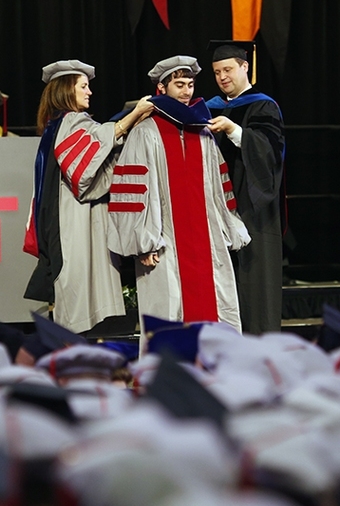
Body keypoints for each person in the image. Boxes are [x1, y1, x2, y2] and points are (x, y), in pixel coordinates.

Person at [107, 55, 250, 330]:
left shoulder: (203, 132)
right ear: (161, 88)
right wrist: (143, 243)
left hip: (207, 240)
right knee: (170, 313)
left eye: (190, 85)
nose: (186, 92)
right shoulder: (145, 131)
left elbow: (220, 189)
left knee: (216, 309)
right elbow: (134, 193)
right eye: (179, 85)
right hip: (165, 241)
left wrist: (226, 228)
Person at [23, 60, 152, 333]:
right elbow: (83, 169)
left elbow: (99, 146)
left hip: (67, 214)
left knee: (78, 295)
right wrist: (133, 116)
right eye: (83, 86)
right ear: (66, 90)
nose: (90, 92)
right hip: (71, 219)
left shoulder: (57, 125)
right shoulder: (70, 122)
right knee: (75, 292)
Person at [205, 41, 285, 335]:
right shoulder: (208, 108)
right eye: (217, 72)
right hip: (215, 208)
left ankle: (259, 350)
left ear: (244, 67)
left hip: (254, 208)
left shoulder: (263, 106)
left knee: (256, 287)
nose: (222, 77)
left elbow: (270, 153)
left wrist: (234, 130)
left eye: (227, 69)